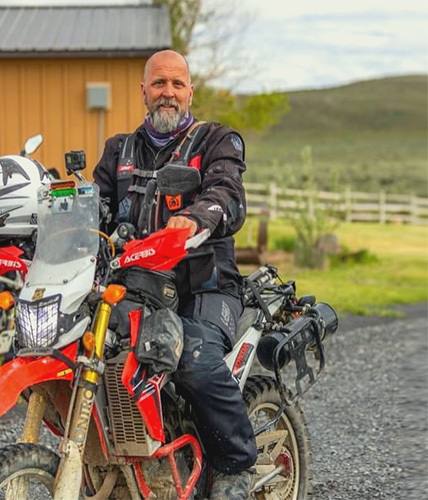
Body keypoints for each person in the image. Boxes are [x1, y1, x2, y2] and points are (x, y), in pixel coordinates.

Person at [93, 49, 257, 499]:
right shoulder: (118, 150)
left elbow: (228, 192)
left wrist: (198, 217)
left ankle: (235, 465)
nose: (168, 92)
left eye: (177, 84)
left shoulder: (216, 140)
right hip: (137, 288)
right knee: (92, 354)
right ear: (144, 91)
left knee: (193, 359)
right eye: (159, 83)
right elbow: (94, 211)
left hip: (205, 286)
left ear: (190, 92)